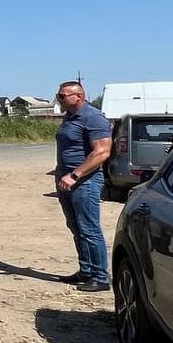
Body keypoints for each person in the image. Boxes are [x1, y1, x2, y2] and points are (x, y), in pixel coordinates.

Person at [53, 82, 113, 292]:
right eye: (58, 95)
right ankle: (86, 270)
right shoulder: (70, 116)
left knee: (89, 229)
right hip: (66, 179)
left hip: (84, 181)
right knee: (76, 227)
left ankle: (100, 277)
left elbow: (102, 152)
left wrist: (75, 174)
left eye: (62, 95)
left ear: (78, 96)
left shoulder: (93, 117)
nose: (58, 99)